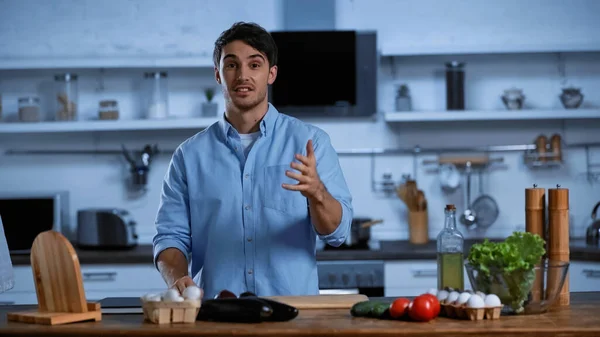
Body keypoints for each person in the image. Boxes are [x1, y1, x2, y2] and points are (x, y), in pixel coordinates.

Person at [152, 21, 353, 300]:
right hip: (216, 314)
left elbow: (337, 233)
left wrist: (317, 193)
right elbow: (170, 236)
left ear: (271, 74)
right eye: (232, 64)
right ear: (218, 75)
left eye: (254, 64)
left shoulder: (311, 143)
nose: (242, 75)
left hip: (293, 316)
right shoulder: (189, 156)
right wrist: (178, 278)